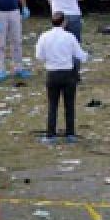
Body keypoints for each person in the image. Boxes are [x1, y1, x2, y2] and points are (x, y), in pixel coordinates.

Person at [35, 12, 90, 143]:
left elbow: (39, 56)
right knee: (69, 105)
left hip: (52, 74)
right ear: (64, 22)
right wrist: (87, 55)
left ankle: (51, 134)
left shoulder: (44, 36)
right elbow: (79, 55)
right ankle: (70, 133)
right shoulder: (69, 37)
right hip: (68, 74)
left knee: (52, 105)